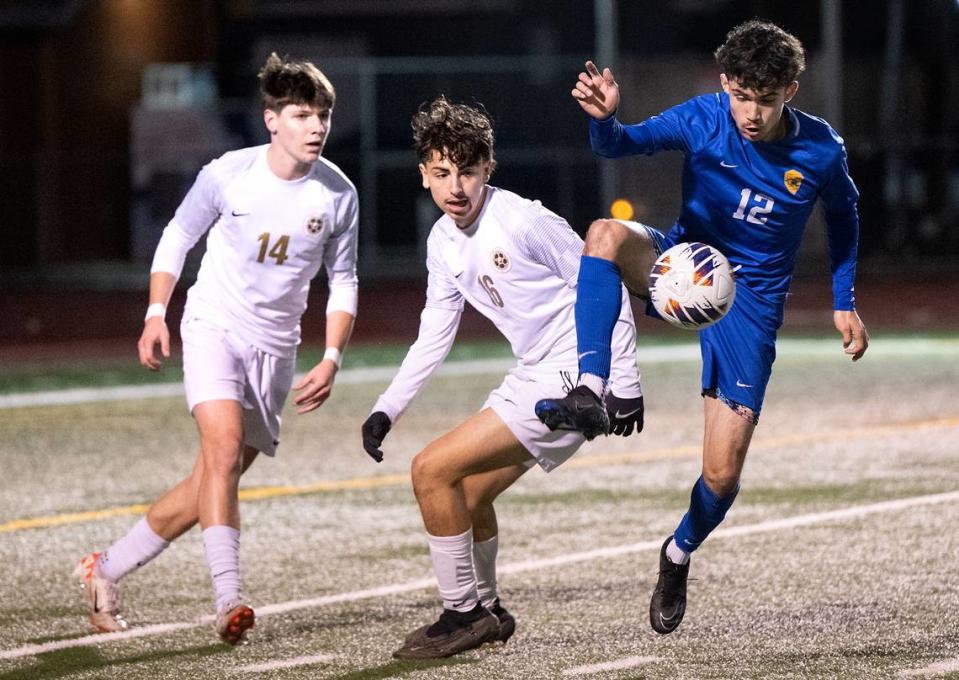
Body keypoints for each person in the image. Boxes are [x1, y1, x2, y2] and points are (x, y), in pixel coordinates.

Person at [535, 19, 869, 635]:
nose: (750, 113)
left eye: (764, 101)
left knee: (721, 475)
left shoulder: (822, 150)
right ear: (725, 84)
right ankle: (591, 387)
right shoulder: (704, 116)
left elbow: (845, 217)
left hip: (750, 304)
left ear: (790, 92)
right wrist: (606, 121)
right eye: (741, 96)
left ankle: (678, 551)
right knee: (605, 234)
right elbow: (621, 146)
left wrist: (843, 300)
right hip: (681, 267)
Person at [73, 53, 359, 645]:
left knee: (209, 482)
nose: (316, 127)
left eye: (323, 115)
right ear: (271, 119)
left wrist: (331, 355)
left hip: (277, 350)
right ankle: (229, 598)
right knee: (224, 452)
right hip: (214, 325)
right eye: (303, 114)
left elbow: (345, 280)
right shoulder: (228, 174)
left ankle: (104, 571)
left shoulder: (338, 195)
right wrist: (157, 313)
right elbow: (177, 236)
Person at [360, 96, 644, 660]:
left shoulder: (523, 220)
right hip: (532, 372)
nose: (455, 187)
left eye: (467, 171)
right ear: (424, 175)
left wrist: (622, 383)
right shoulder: (442, 242)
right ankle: (487, 609)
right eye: (442, 173)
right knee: (463, 494)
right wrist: (387, 408)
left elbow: (604, 284)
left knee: (430, 470)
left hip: (571, 379)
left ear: (488, 168)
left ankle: (462, 613)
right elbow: (434, 332)